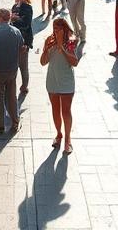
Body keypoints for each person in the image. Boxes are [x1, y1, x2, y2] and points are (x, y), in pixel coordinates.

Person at [41, 17, 79, 156]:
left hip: (67, 81)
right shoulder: (49, 41)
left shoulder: (71, 42)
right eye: (54, 28)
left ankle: (68, 139)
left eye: (58, 28)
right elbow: (43, 62)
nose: (55, 31)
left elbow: (74, 62)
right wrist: (45, 50)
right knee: (55, 110)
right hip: (52, 80)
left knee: (66, 111)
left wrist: (62, 47)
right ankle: (58, 134)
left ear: (64, 29)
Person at [0, 8, 24, 134]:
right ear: (10, 18)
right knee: (11, 96)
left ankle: (0, 125)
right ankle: (15, 121)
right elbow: (21, 48)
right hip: (11, 70)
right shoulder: (16, 32)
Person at [11, 0, 34, 93]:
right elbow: (13, 24)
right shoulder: (14, 6)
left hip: (24, 41)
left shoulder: (27, 8)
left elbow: (26, 24)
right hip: (14, 41)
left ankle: (24, 86)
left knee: (23, 67)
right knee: (14, 66)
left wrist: (16, 19)